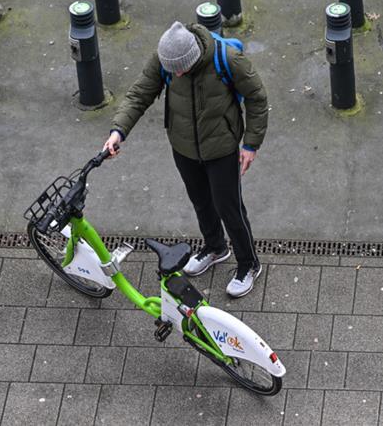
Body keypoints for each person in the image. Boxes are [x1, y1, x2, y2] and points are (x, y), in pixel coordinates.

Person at [103, 21, 268, 297]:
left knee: (229, 208)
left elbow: (257, 97)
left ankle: (248, 263)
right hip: (183, 147)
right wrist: (118, 131)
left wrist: (250, 144)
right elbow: (139, 94)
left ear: (193, 58)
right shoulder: (165, 60)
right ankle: (216, 248)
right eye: (172, 70)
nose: (176, 73)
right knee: (201, 202)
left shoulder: (227, 60)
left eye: (181, 68)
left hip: (221, 148)